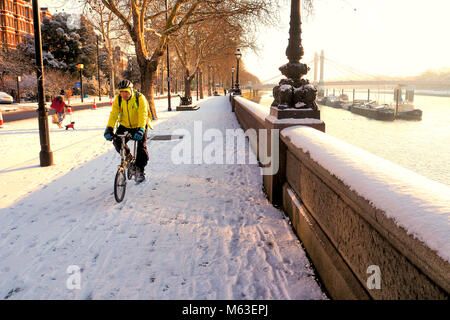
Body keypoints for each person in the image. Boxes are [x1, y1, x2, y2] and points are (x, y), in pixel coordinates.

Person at [104, 80, 152, 183]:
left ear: (131, 90)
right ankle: (128, 157)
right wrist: (109, 128)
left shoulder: (139, 98)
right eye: (121, 92)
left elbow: (143, 114)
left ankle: (140, 170)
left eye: (126, 91)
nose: (124, 94)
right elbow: (114, 114)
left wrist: (141, 129)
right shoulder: (118, 99)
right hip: (125, 125)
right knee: (117, 141)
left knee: (141, 148)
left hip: (140, 125)